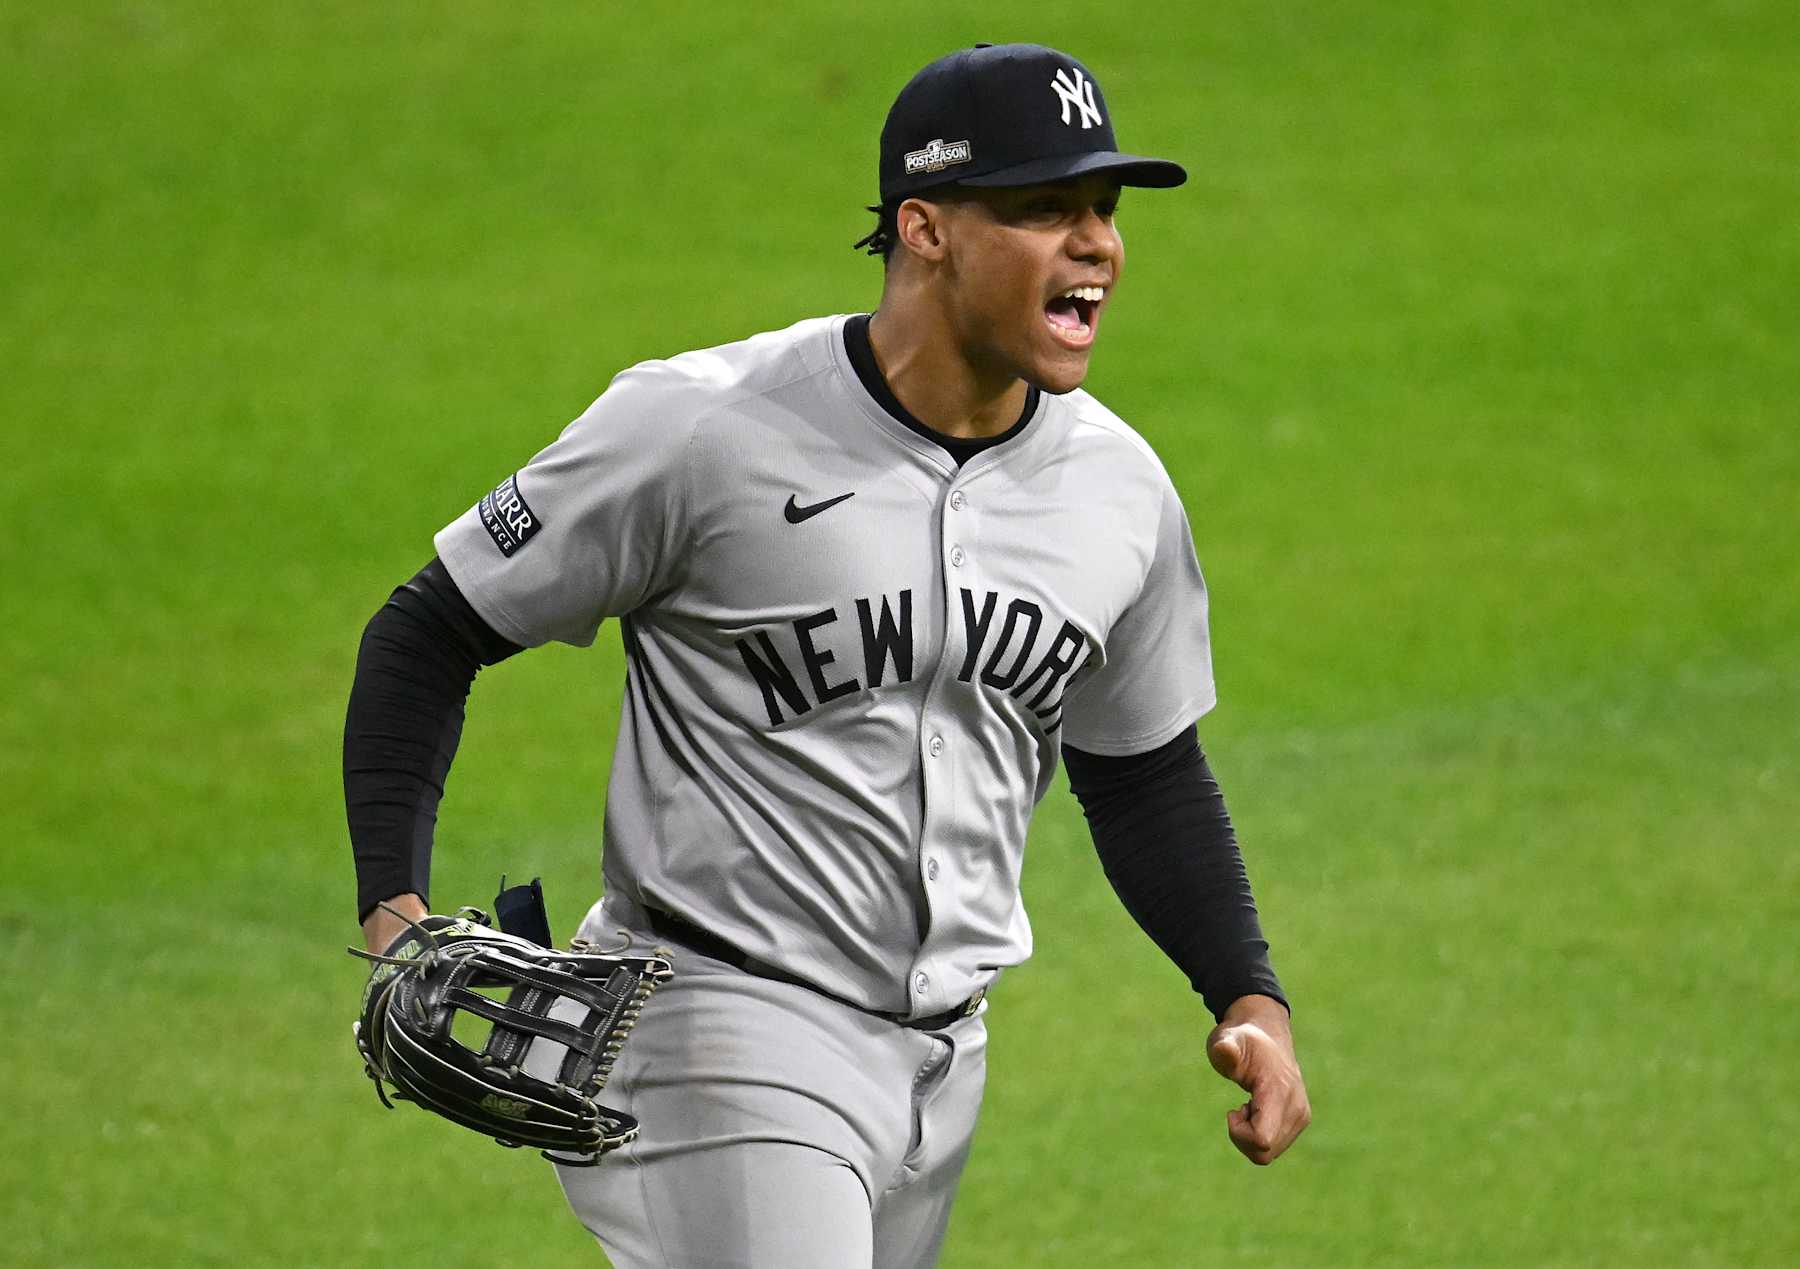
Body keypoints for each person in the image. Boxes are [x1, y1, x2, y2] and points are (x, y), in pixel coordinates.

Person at [345, 41, 1310, 1269]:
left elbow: (1143, 768)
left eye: (1105, 212)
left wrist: (1248, 998)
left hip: (945, 1065)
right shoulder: (703, 429)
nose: (1098, 246)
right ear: (926, 228)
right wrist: (396, 920)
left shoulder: (1119, 490)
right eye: (1043, 210)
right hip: (716, 1030)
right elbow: (432, 626)